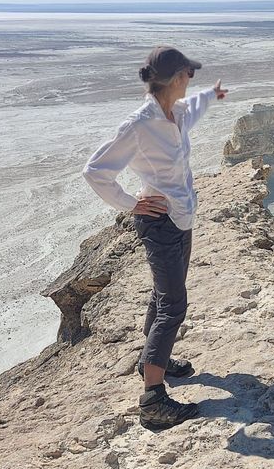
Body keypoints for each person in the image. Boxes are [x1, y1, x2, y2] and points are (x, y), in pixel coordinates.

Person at [81, 46, 227, 430]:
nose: (190, 81)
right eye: (188, 75)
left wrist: (212, 96)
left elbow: (193, 110)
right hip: (160, 222)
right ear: (175, 78)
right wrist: (131, 204)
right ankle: (152, 400)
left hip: (181, 217)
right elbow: (95, 171)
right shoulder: (139, 125)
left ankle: (152, 359)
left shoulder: (174, 113)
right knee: (173, 306)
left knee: (165, 294)